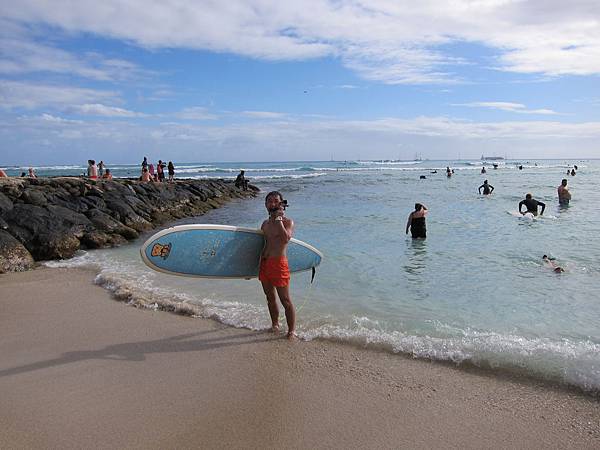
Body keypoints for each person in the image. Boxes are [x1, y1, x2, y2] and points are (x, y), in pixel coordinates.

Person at [260, 191, 295, 339]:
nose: (272, 203)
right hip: (265, 263)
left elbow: (286, 238)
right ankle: (275, 325)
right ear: (266, 205)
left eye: (275, 201)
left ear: (281, 204)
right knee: (269, 297)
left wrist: (279, 219)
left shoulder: (288, 222)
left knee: (285, 300)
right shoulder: (265, 224)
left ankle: (291, 331)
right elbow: (260, 245)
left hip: (279, 264)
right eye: (269, 201)